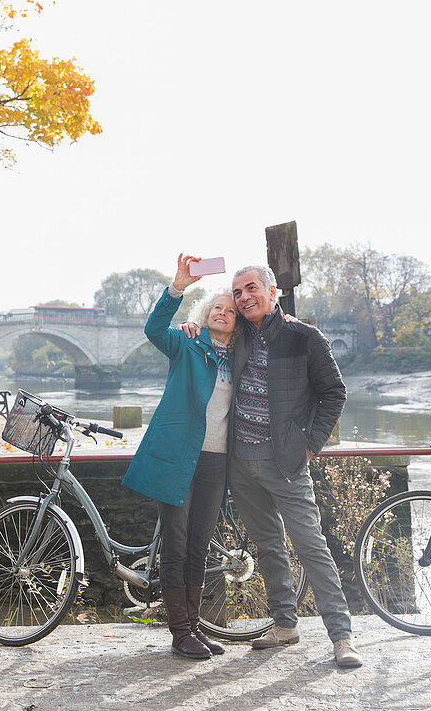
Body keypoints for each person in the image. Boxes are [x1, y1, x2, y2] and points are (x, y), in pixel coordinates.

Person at [187, 263, 361, 668]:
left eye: (251, 289)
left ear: (272, 291)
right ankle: (285, 624)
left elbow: (334, 393)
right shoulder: (240, 333)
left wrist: (310, 446)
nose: (244, 297)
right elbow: (210, 327)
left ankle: (343, 637)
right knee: (268, 547)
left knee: (311, 546)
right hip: (241, 465)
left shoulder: (305, 337)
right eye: (238, 292)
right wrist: (188, 327)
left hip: (286, 464)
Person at [121, 254, 237, 660]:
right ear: (206, 315)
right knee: (177, 540)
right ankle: (179, 632)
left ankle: (194, 627)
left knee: (200, 545)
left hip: (216, 462)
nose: (222, 313)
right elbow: (154, 329)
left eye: (230, 310)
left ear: (237, 322)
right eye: (216, 308)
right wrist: (177, 288)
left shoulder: (240, 361)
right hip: (177, 457)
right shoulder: (187, 342)